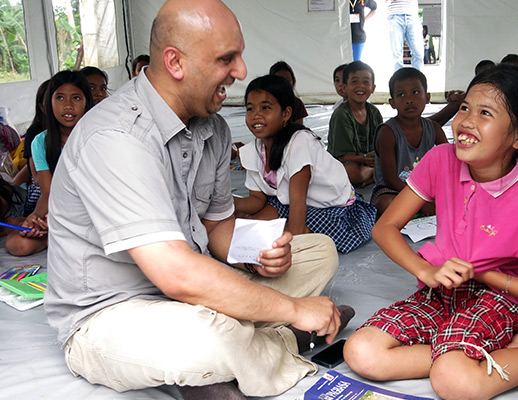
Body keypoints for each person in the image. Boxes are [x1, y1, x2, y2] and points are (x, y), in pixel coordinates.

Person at [44, 1, 350, 399]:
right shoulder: (115, 138)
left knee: (320, 251)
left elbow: (216, 225)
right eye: (227, 58)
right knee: (214, 337)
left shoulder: (214, 128)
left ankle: (223, 361)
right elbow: (175, 273)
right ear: (175, 62)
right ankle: (282, 342)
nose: (240, 72)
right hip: (114, 312)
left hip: (191, 287)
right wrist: (293, 311)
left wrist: (255, 254)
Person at [343, 64, 518, 400]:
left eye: (485, 113)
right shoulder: (440, 159)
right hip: (442, 292)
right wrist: (426, 270)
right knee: (361, 351)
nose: (465, 121)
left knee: (453, 381)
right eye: (465, 107)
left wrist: (490, 275)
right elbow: (385, 228)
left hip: (498, 298)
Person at [235, 75, 376, 253]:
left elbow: (297, 199)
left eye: (265, 107)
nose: (256, 115)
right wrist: (225, 204)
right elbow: (256, 200)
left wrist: (295, 242)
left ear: (285, 114)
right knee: (245, 229)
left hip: (330, 208)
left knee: (278, 240)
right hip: (286, 202)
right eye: (250, 108)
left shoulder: (299, 142)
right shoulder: (254, 150)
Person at [6, 70, 93, 257]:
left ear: (87, 103)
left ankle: (61, 236)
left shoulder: (98, 137)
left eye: (76, 98)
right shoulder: (41, 142)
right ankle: (55, 235)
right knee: (16, 244)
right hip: (61, 215)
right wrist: (35, 217)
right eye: (60, 97)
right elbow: (47, 192)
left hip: (95, 214)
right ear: (48, 102)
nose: (68, 106)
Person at [372, 68, 447, 217]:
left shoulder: (434, 129)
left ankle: (417, 209)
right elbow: (390, 179)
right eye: (401, 95)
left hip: (426, 188)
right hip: (394, 190)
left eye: (415, 92)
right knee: (386, 204)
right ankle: (419, 208)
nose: (409, 99)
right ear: (392, 103)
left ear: (427, 97)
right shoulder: (387, 132)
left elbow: (450, 162)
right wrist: (421, 200)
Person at [327, 61, 383, 188]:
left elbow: (382, 143)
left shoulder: (374, 112)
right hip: (347, 162)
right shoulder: (341, 114)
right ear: (345, 87)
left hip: (370, 160)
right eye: (354, 81)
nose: (360, 86)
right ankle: (371, 175)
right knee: (349, 172)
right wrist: (365, 159)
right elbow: (341, 157)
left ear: (373, 88)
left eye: (366, 82)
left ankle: (370, 176)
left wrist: (377, 157)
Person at [16, 79, 49, 214]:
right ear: (41, 106)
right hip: (44, 189)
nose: (67, 105)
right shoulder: (38, 136)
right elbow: (37, 179)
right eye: (59, 98)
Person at [386, 0, 424, 71]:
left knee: (418, 52)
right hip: (394, 15)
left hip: (412, 15)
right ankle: (398, 80)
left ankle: (417, 79)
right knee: (396, 55)